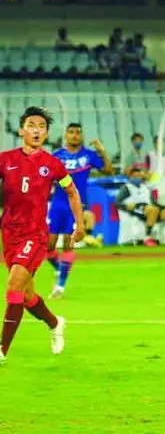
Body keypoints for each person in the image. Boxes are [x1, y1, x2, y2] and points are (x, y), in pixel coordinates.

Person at [0, 107, 84, 365]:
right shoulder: (5, 159)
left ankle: (2, 350)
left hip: (35, 235)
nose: (36, 130)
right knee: (26, 297)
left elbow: (72, 192)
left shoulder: (53, 164)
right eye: (31, 125)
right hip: (9, 233)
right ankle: (55, 322)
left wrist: (79, 224)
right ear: (21, 130)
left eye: (41, 126)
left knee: (14, 288)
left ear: (46, 133)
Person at [46, 123, 114, 299]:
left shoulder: (89, 155)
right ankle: (60, 269)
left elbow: (108, 171)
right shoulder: (56, 156)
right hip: (57, 205)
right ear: (66, 135)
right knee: (48, 246)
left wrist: (102, 151)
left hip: (76, 205)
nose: (75, 135)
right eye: (71, 132)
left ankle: (60, 287)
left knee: (69, 243)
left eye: (78, 132)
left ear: (81, 136)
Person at [115, 167, 165, 246]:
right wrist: (125, 206)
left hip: (148, 208)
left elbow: (154, 203)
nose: (137, 178)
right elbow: (117, 203)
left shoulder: (145, 188)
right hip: (136, 208)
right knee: (153, 210)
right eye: (135, 176)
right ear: (130, 177)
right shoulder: (126, 188)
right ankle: (148, 237)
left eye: (139, 176)